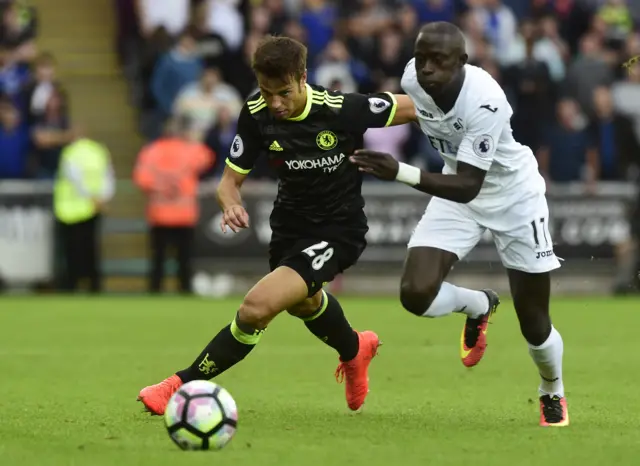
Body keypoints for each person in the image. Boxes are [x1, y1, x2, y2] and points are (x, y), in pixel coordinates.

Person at [138, 36, 417, 415]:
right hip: (288, 228)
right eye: (267, 92)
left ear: (303, 78)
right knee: (304, 304)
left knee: (256, 308)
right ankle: (355, 349)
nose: (276, 103)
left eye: (284, 93)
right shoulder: (255, 113)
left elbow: (415, 107)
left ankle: (178, 385)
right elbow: (228, 183)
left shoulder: (341, 108)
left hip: (339, 229)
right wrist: (231, 204)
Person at [350, 22, 568, 427]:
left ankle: (551, 390)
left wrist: (399, 171)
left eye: (439, 61)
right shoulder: (412, 79)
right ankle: (479, 304)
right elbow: (413, 112)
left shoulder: (486, 101)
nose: (427, 68)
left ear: (462, 63)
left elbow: (470, 185)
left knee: (534, 323)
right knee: (415, 294)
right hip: (456, 189)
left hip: (511, 197)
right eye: (422, 58)